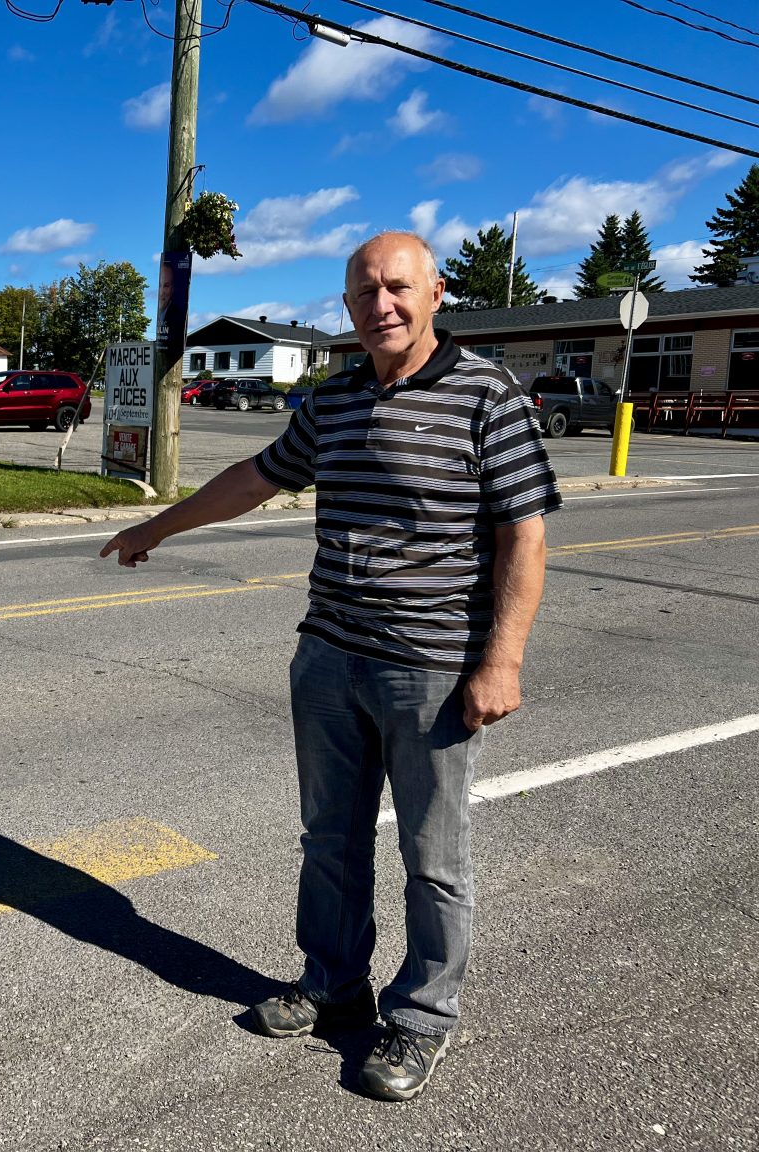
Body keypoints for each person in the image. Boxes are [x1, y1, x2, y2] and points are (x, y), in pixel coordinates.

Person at [100, 231, 560, 1101]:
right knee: (331, 842)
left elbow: (523, 532)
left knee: (434, 855)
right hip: (328, 658)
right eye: (362, 292)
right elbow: (256, 477)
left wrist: (502, 659)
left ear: (434, 294)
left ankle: (422, 1017)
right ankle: (335, 982)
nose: (379, 304)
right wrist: (155, 527)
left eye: (396, 288)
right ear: (346, 307)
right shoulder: (337, 397)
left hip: (429, 669)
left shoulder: (485, 394)